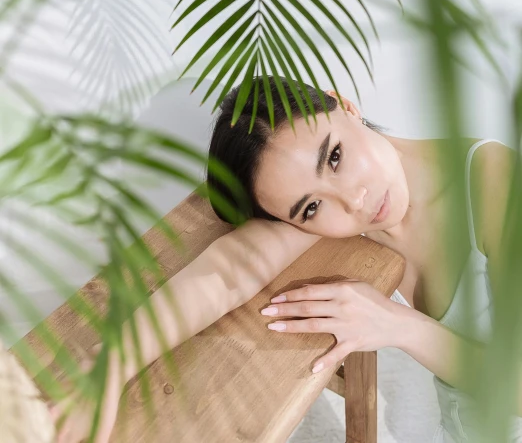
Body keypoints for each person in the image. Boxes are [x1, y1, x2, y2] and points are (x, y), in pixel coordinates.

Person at [49, 75, 522, 443]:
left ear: (345, 106)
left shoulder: (494, 183)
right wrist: (112, 362)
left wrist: (397, 325)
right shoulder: (351, 210)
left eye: (334, 156)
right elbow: (227, 272)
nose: (353, 202)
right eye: (310, 207)